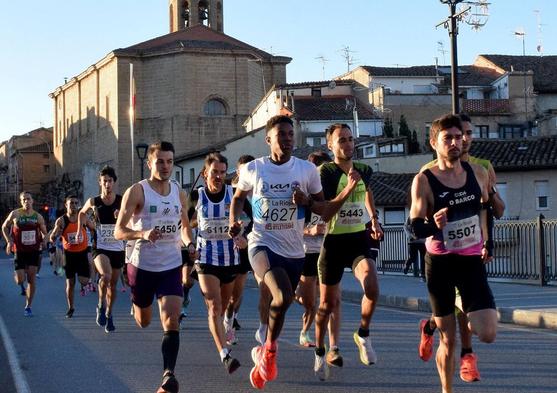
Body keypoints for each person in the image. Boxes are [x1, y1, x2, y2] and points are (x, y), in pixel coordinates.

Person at [228, 115, 325, 389]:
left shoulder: (307, 171)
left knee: (281, 305)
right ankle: (269, 351)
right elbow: (237, 197)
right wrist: (233, 221)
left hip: (295, 251)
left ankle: (265, 351)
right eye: (281, 134)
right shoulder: (254, 169)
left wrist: (306, 201)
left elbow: (321, 206)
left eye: (290, 134)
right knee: (281, 296)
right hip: (262, 243)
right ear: (268, 139)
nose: (287, 139)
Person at [409, 113, 497, 393]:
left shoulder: (478, 173)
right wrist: (431, 225)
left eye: (459, 137)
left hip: (471, 260)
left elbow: (486, 208)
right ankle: (447, 389)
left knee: (488, 332)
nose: (456, 142)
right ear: (434, 142)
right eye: (448, 138)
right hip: (440, 263)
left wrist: (488, 242)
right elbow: (413, 227)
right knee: (449, 338)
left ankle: (438, 321)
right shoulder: (424, 180)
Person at [115, 141, 196, 393]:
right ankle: (136, 304)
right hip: (142, 266)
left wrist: (190, 243)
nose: (165, 166)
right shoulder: (137, 192)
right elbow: (119, 231)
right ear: (150, 163)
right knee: (144, 321)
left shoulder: (178, 192)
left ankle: (168, 375)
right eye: (160, 161)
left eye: (170, 161)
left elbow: (183, 227)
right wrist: (143, 233)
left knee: (172, 319)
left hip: (171, 265)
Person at [311, 123, 383, 380]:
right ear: (330, 145)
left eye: (351, 139)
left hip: (358, 241)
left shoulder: (363, 169)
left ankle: (363, 334)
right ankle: (320, 350)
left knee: (373, 288)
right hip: (333, 244)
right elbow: (327, 208)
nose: (348, 144)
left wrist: (374, 219)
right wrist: (348, 188)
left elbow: (367, 193)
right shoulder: (325, 172)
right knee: (327, 305)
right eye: (342, 140)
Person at [194, 152, 248, 373]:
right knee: (215, 306)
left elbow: (253, 219)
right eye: (214, 172)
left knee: (225, 305)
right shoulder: (197, 196)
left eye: (222, 173)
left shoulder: (233, 195)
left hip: (230, 258)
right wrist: (188, 244)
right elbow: (183, 222)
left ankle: (226, 326)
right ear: (205, 173)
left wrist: (245, 236)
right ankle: (224, 354)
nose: (218, 177)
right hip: (206, 258)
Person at [78, 165, 125, 333]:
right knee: (105, 275)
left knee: (113, 285)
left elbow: (133, 218)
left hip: (118, 247)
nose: (107, 184)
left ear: (114, 183)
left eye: (110, 181)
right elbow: (81, 214)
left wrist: (121, 216)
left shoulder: (122, 200)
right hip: (100, 247)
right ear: (100, 182)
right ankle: (100, 304)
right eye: (104, 181)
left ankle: (109, 313)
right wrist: (79, 230)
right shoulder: (93, 201)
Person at [224, 154, 255, 345]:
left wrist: (246, 237)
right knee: (227, 292)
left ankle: (230, 319)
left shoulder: (259, 193)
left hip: (247, 247)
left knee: (238, 293)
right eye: (244, 170)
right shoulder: (231, 193)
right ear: (238, 172)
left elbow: (259, 221)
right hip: (226, 248)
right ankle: (227, 320)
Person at [2, 191, 48, 317]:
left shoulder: (37, 216)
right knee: (20, 280)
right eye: (24, 200)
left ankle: (28, 306)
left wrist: (44, 240)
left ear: (32, 201)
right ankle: (19, 276)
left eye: (28, 199)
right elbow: (4, 227)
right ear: (21, 202)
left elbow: (45, 232)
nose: (26, 201)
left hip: (33, 251)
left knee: (32, 279)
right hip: (19, 251)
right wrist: (9, 241)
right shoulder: (15, 214)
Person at [50, 195, 95, 318]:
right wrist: (54, 236)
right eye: (71, 203)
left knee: (84, 281)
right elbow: (53, 235)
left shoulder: (84, 217)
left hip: (82, 253)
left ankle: (84, 284)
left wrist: (94, 238)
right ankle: (71, 308)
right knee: (70, 283)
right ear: (66, 205)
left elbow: (93, 228)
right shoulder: (61, 220)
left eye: (76, 203)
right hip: (69, 255)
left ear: (79, 205)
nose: (74, 205)